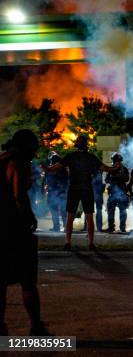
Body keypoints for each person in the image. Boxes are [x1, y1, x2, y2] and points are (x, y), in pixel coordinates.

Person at [0, 130, 51, 336]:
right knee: (28, 281)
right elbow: (19, 194)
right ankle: (36, 327)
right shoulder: (19, 163)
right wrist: (29, 217)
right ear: (25, 146)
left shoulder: (2, 159)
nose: (35, 151)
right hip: (14, 230)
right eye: (33, 147)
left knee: (1, 282)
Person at [43, 135, 116, 251]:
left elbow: (56, 167)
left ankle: (67, 242)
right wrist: (114, 168)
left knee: (70, 217)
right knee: (89, 217)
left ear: (77, 145)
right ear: (86, 146)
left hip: (74, 189)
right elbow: (105, 168)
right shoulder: (91, 157)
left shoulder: (71, 156)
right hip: (87, 189)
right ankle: (91, 243)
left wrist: (47, 169)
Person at [43, 151, 68, 232]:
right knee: (57, 210)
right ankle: (60, 227)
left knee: (59, 210)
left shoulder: (61, 169)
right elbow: (46, 180)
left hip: (59, 192)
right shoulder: (60, 169)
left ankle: (61, 227)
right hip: (55, 192)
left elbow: (65, 181)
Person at [105, 153, 130, 233]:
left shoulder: (124, 169)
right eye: (116, 161)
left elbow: (126, 179)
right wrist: (115, 176)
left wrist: (115, 177)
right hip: (112, 193)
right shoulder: (111, 169)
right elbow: (106, 180)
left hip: (122, 193)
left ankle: (122, 228)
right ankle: (111, 227)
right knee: (111, 211)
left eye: (118, 161)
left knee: (122, 211)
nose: (117, 163)